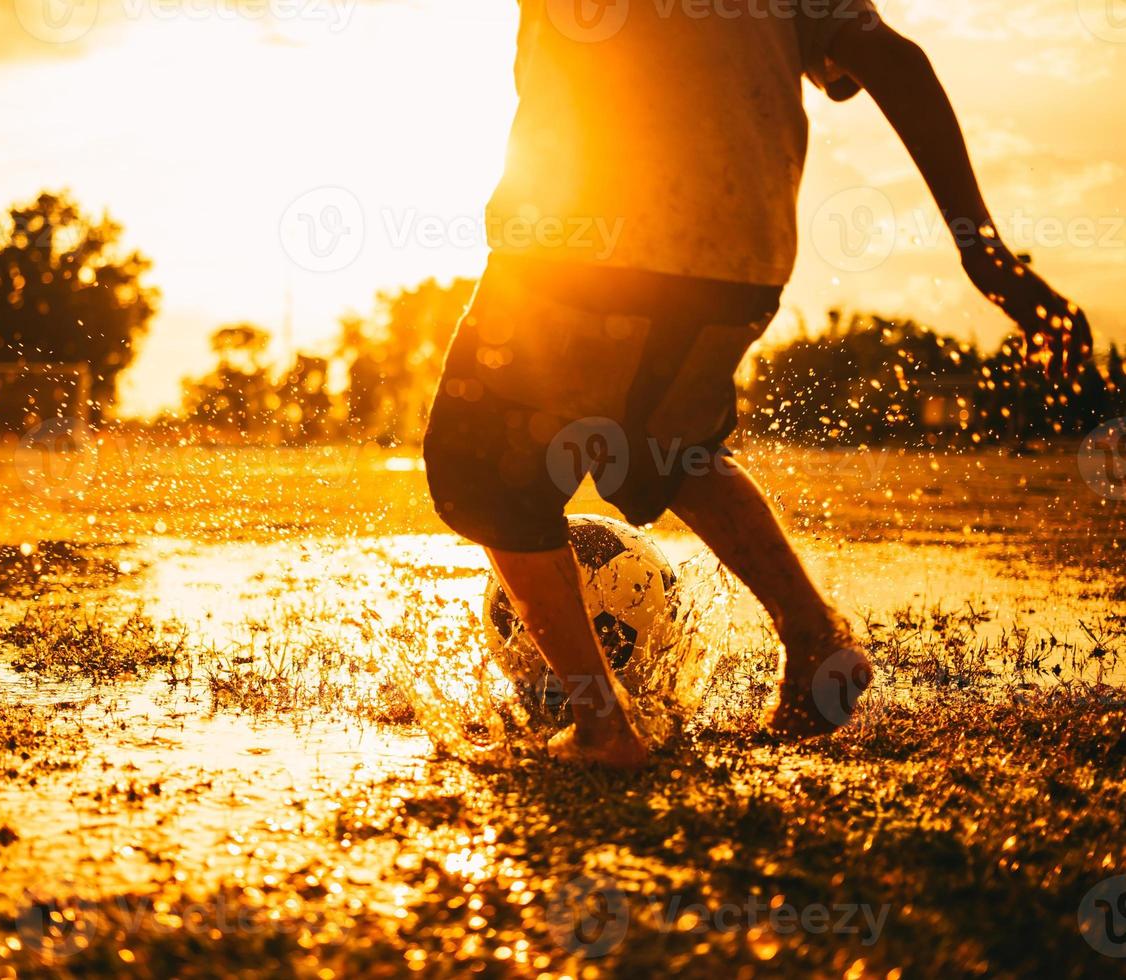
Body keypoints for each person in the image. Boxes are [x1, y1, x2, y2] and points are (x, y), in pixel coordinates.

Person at [422, 2, 1092, 768]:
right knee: (667, 448)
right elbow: (894, 62)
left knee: (482, 469)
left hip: (581, 239)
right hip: (739, 254)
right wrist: (983, 249)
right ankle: (814, 635)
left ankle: (603, 725)